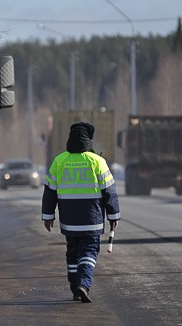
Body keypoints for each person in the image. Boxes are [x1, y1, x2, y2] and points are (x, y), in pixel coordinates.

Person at [42, 122, 121, 303]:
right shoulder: (97, 162)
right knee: (89, 251)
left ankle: (74, 286)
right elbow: (110, 191)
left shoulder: (59, 161)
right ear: (89, 140)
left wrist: (48, 216)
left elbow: (49, 191)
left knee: (72, 252)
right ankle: (83, 285)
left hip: (69, 220)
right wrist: (113, 215)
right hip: (91, 219)